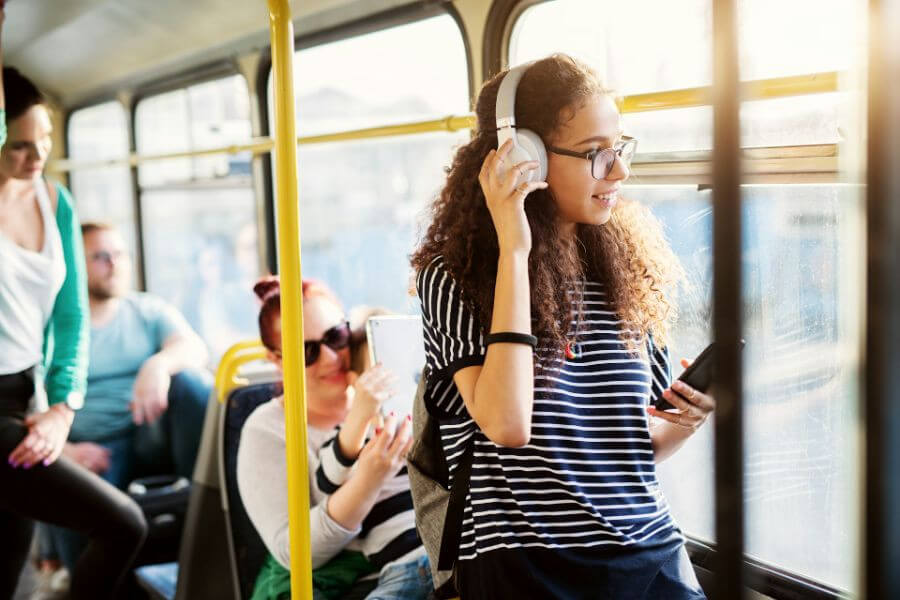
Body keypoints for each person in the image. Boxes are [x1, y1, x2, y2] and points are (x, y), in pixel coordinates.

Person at [410, 54, 714, 599]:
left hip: (647, 551)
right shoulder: (454, 279)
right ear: (523, 157)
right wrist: (515, 251)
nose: (619, 172)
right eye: (596, 154)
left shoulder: (627, 274)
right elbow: (507, 424)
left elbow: (621, 449)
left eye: (618, 148)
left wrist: (687, 421)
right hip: (526, 564)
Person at [0, 42, 147, 600]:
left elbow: (71, 314)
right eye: (17, 146)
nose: (36, 157)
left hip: (27, 399)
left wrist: (64, 407)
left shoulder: (54, 201)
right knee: (122, 524)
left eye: (45, 141)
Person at [237, 277, 432, 600]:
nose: (331, 358)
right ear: (277, 359)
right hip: (368, 574)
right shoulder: (265, 431)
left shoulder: (394, 402)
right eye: (307, 351)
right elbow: (293, 552)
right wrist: (368, 479)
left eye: (335, 337)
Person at [41, 221, 213, 570]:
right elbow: (31, 402)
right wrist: (66, 450)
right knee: (70, 491)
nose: (114, 264)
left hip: (147, 431)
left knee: (191, 383)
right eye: (101, 257)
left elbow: (194, 347)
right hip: (92, 445)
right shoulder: (53, 326)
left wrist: (159, 366)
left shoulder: (146, 311)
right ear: (76, 264)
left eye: (119, 254)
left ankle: (209, 500)